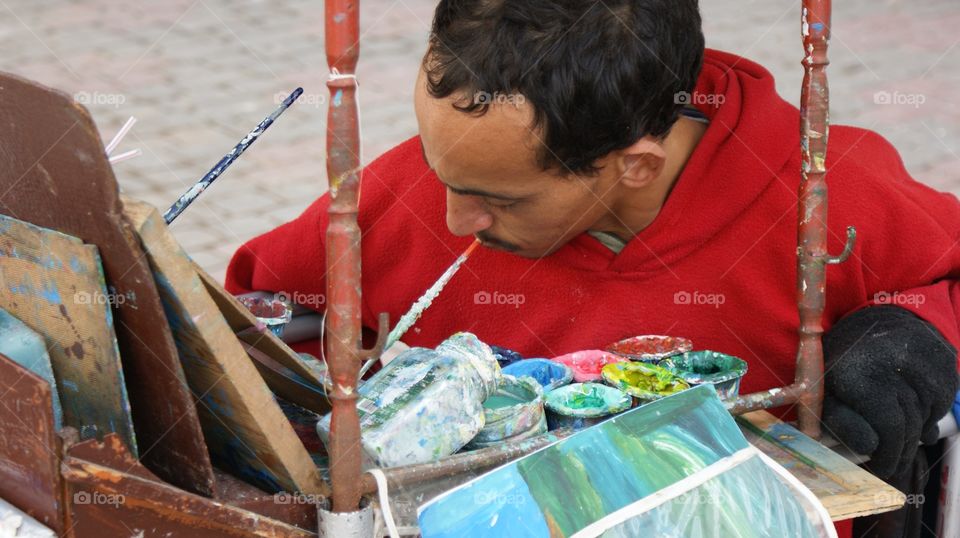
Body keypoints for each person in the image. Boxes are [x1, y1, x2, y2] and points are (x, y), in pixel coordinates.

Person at [225, 1, 959, 535]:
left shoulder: (829, 191)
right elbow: (249, 323)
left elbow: (947, 283)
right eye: (437, 167)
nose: (450, 221)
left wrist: (909, 330)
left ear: (635, 165)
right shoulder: (397, 198)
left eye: (494, 199)